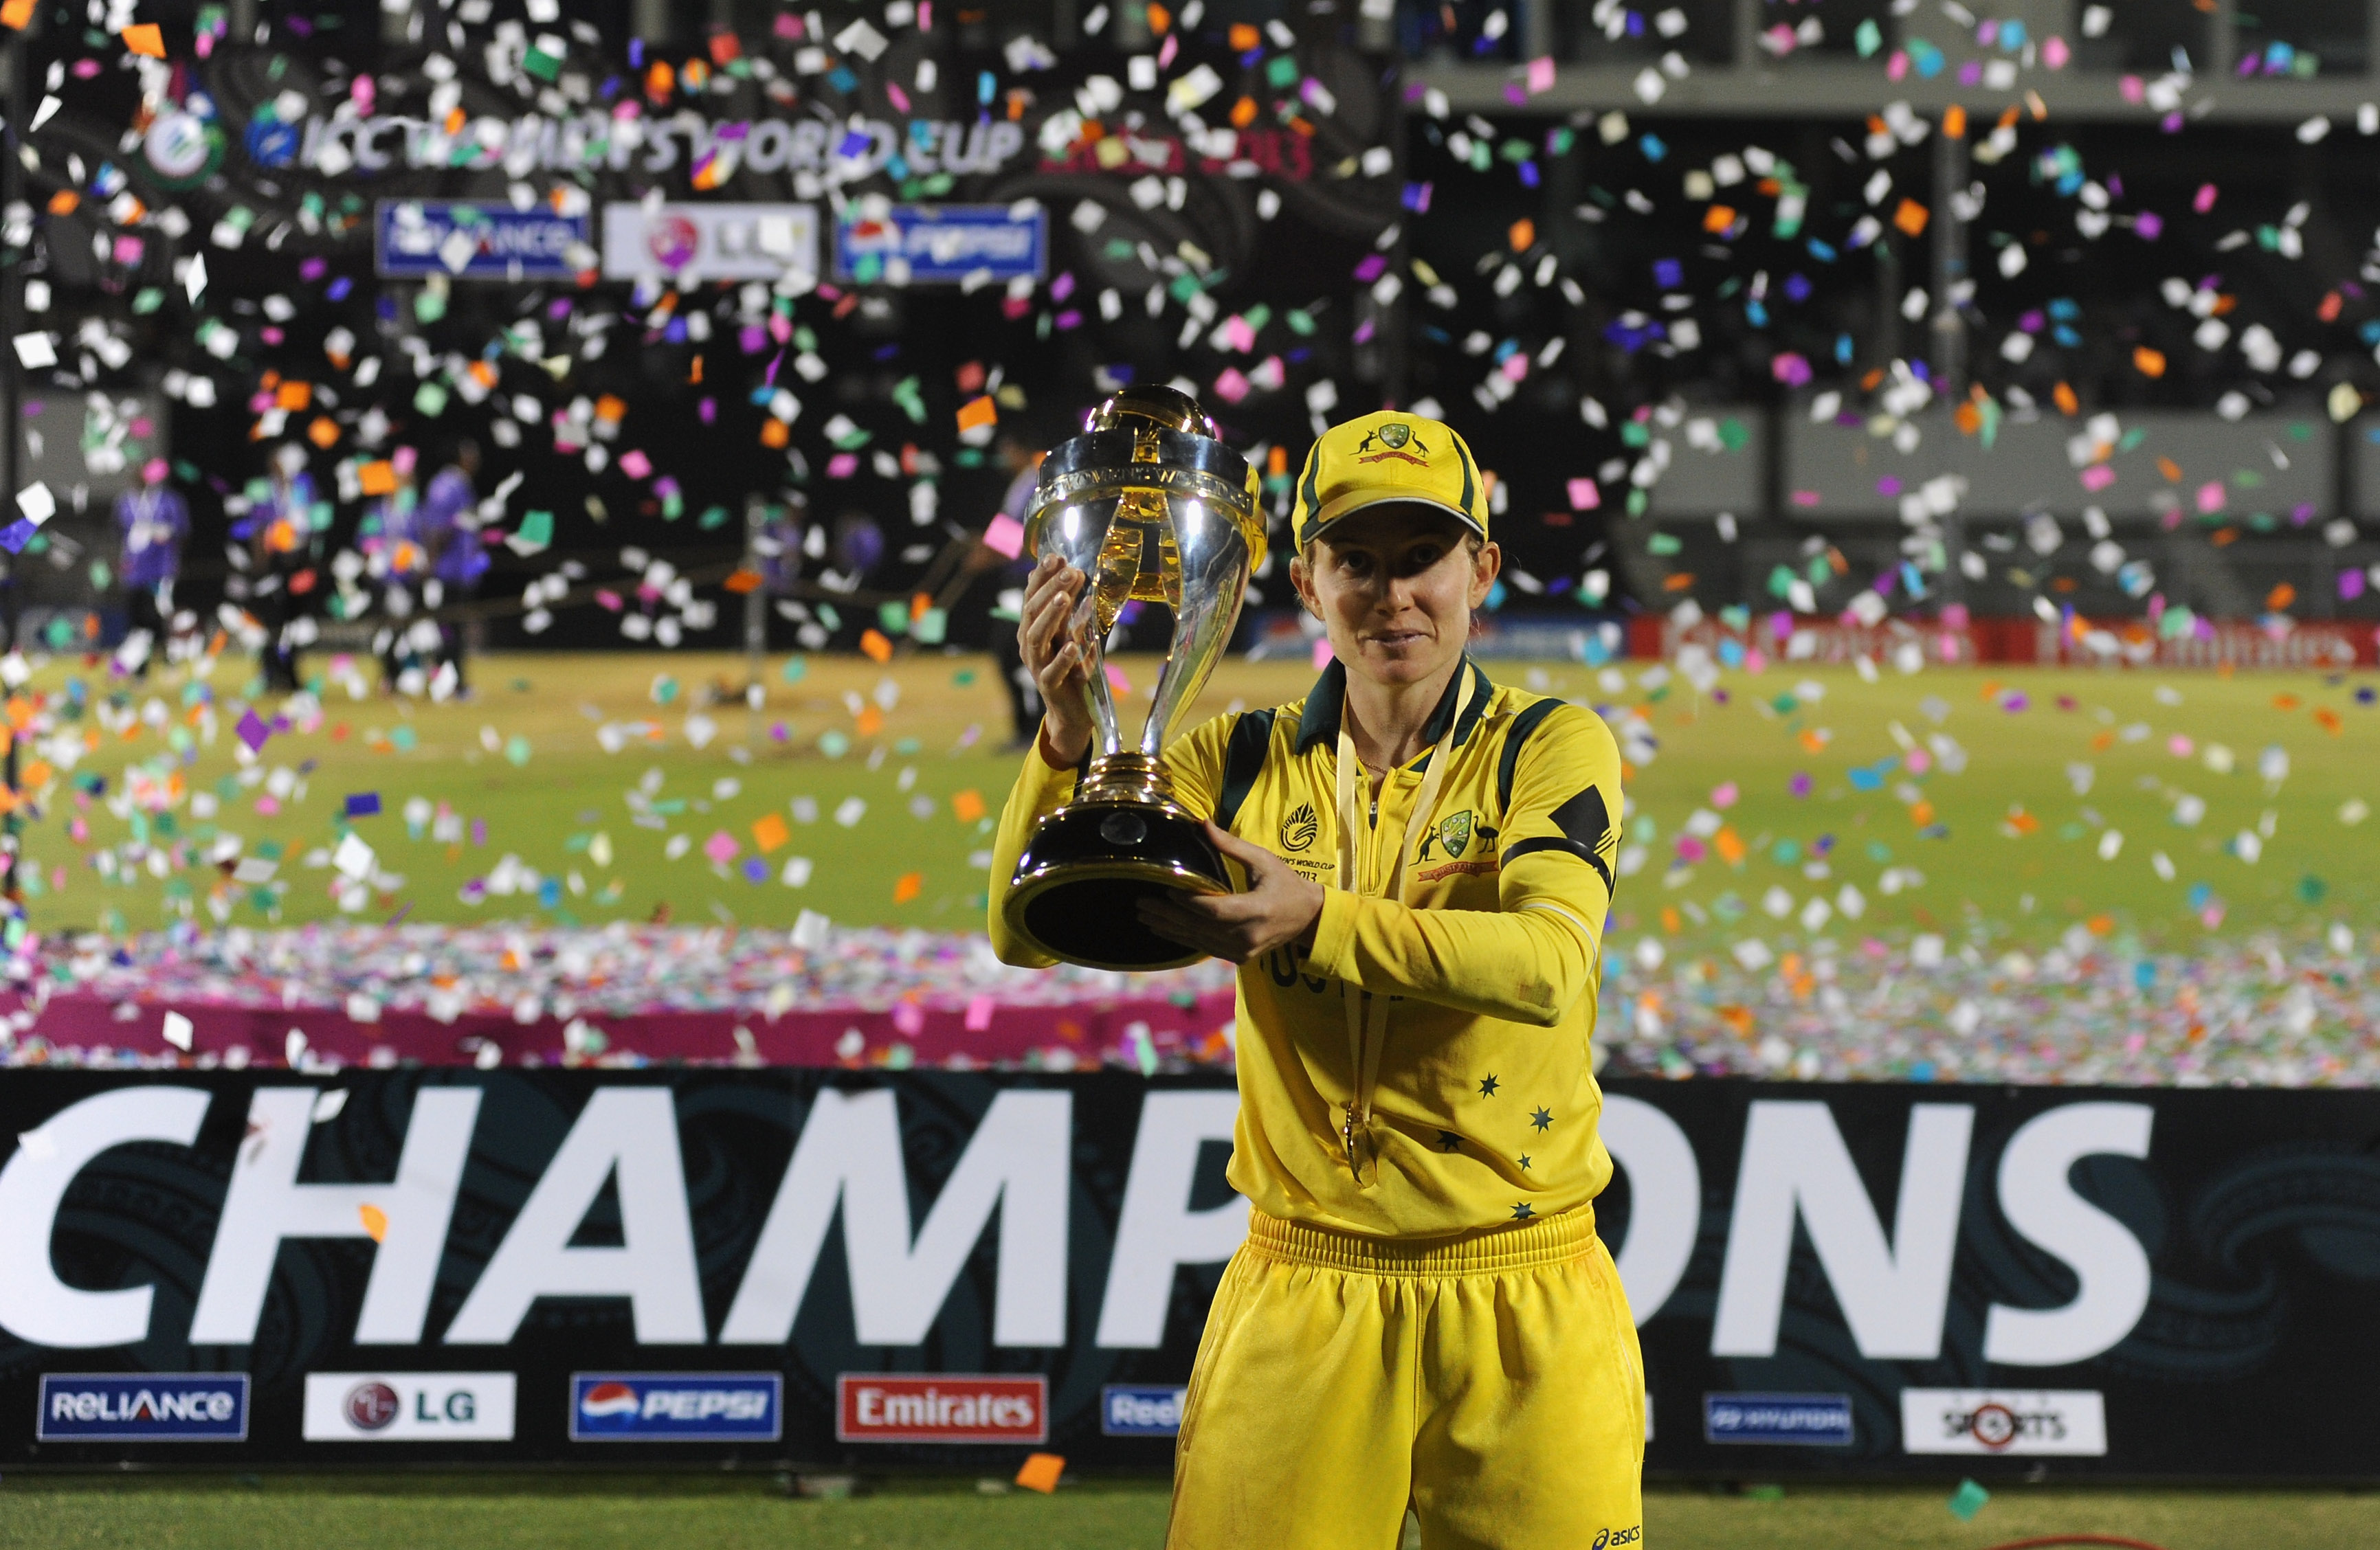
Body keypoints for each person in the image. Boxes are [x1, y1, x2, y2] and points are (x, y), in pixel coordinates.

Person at [988, 410, 1639, 1550]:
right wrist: (1061, 729)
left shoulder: (1547, 746)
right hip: (1306, 1285)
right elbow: (1023, 933)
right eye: (1357, 561)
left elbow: (1548, 964)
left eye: (1422, 558)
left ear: (1479, 569)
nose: (1393, 595)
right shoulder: (1230, 760)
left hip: (1523, 1287)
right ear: (1303, 580)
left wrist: (1315, 918)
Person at [970, 433, 1042, 750]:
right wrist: (983, 550)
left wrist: (984, 557)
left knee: (1014, 653)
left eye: (1009, 450)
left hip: (1028, 582)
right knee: (1015, 653)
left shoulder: (1031, 485)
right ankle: (1029, 729)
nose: (1004, 457)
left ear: (1022, 451)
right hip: (1019, 584)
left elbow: (1019, 539)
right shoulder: (1020, 486)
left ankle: (1032, 730)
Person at [416, 440, 487, 695]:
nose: (475, 459)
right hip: (447, 572)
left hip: (457, 571)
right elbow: (439, 528)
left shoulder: (457, 483)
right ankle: (452, 685)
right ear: (459, 457)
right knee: (449, 631)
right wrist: (431, 560)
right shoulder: (448, 485)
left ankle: (445, 682)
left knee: (451, 630)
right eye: (471, 453)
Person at [249, 445, 317, 694]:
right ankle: (270, 674)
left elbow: (315, 522)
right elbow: (256, 527)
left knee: (296, 620)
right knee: (272, 620)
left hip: (299, 560)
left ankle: (292, 675)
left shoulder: (305, 487)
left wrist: (309, 557)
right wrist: (261, 563)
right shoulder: (263, 489)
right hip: (274, 561)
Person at [114, 458, 188, 677]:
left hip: (161, 569)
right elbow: (119, 533)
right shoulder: (125, 502)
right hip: (134, 571)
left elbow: (182, 531)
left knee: (157, 615)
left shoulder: (170, 501)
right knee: (136, 618)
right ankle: (140, 667)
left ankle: (168, 656)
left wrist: (163, 535)